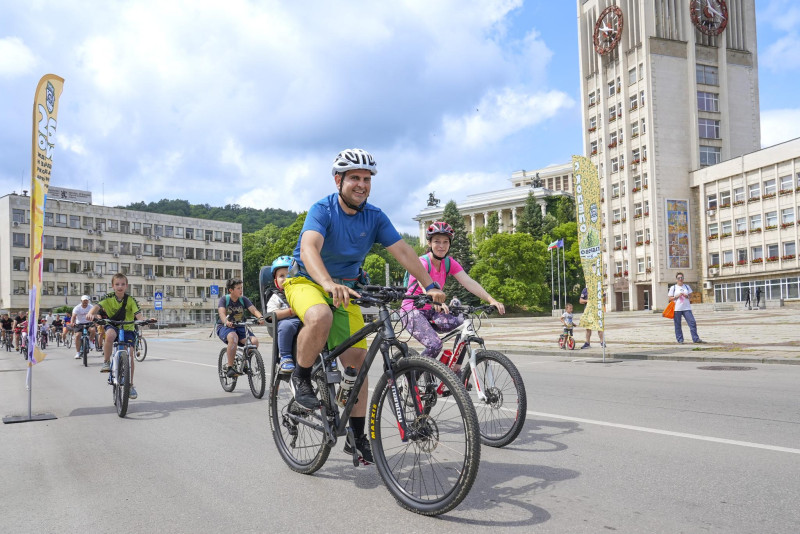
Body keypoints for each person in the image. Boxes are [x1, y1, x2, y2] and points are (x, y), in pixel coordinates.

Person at [284, 148, 445, 465]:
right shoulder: (323, 210)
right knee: (320, 315)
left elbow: (402, 251)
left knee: (358, 366)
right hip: (307, 280)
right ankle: (301, 376)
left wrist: (430, 284)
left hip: (348, 288)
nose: (361, 184)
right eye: (354, 178)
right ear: (338, 180)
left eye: (367, 179)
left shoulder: (375, 216)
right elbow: (309, 248)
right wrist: (327, 283)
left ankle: (357, 439)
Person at [401, 221, 505, 371]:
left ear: (450, 244)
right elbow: (423, 284)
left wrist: (491, 299)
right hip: (411, 310)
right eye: (437, 241)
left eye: (445, 242)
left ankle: (455, 369)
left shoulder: (449, 263)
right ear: (429, 243)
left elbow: (469, 282)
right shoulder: (423, 262)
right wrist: (433, 297)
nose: (441, 246)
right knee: (435, 344)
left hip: (432, 310)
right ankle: (411, 379)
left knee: (464, 323)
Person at [88, 273, 149, 399]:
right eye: (117, 284)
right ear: (112, 286)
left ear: (126, 286)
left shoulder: (131, 300)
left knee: (131, 355)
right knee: (109, 336)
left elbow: (138, 315)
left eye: (122, 284)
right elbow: (96, 307)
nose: (120, 287)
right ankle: (106, 362)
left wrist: (144, 320)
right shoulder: (108, 297)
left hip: (128, 328)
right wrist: (90, 313)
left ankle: (130, 385)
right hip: (113, 325)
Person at [216, 278, 266, 378]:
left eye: (241, 288)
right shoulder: (224, 300)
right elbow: (221, 313)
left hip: (240, 326)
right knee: (233, 337)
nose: (241, 290)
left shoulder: (243, 300)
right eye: (238, 288)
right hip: (225, 327)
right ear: (231, 290)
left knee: (254, 342)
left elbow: (253, 309)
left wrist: (260, 317)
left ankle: (245, 363)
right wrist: (226, 321)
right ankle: (230, 367)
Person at [267, 255, 301, 374]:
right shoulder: (276, 297)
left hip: (304, 322)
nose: (286, 278)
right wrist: (290, 311)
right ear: (276, 281)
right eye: (282, 276)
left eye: (290, 275)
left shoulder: (302, 293)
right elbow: (271, 315)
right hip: (286, 323)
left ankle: (324, 353)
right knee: (286, 326)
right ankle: (285, 357)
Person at [668, 272, 705, 344]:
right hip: (677, 309)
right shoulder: (673, 287)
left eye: (681, 278)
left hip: (686, 308)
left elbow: (691, 296)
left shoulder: (687, 286)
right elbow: (670, 299)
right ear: (676, 279)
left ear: (683, 279)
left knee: (692, 322)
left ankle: (695, 338)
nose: (680, 279)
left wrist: (686, 296)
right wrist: (677, 296)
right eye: (679, 278)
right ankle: (680, 339)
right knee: (677, 324)